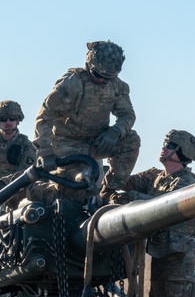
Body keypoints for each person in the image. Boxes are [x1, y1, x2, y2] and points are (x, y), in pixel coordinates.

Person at [120, 129, 195, 297]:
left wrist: (134, 197)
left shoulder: (187, 184)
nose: (164, 148)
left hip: (178, 254)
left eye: (169, 145)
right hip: (159, 251)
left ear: (181, 153)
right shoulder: (155, 177)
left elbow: (162, 206)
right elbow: (125, 182)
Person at [32, 40, 140, 200]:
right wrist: (46, 153)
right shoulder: (73, 84)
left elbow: (128, 115)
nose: (103, 81)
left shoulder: (117, 86)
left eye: (108, 78)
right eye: (99, 76)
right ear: (89, 66)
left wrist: (115, 132)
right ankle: (33, 189)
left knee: (131, 140)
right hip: (68, 145)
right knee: (73, 193)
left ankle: (108, 191)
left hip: (99, 141)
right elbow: (45, 116)